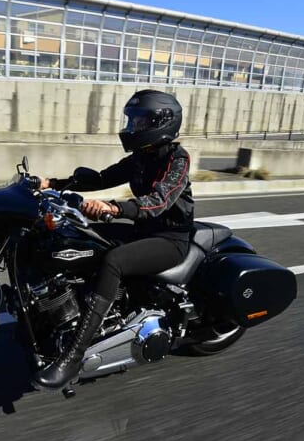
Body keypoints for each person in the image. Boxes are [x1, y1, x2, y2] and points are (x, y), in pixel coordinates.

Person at [32, 89, 195, 390]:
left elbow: (158, 201)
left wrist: (114, 207)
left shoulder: (177, 159)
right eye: (131, 120)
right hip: (143, 231)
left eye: (140, 121)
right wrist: (50, 184)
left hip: (169, 238)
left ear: (161, 123)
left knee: (114, 261)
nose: (132, 127)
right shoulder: (140, 157)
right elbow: (101, 178)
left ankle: (73, 356)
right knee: (78, 239)